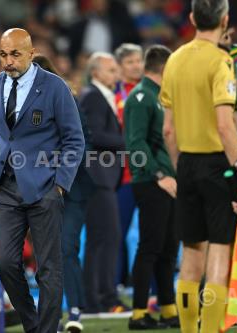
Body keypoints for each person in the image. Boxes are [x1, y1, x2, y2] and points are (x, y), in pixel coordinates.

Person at [0, 28, 84, 333]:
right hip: (3, 187)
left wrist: (60, 184)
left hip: (43, 188)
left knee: (48, 269)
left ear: (31, 52)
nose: (8, 61)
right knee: (5, 263)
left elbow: (74, 140)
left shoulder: (54, 87)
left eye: (14, 54)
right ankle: (34, 324)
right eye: (2, 54)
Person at [160, 1, 237, 332]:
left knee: (190, 259)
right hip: (217, 167)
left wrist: (178, 168)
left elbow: (167, 130)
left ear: (191, 19)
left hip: (185, 165)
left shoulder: (174, 60)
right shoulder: (221, 61)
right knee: (218, 257)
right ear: (225, 20)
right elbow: (227, 128)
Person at [33, 54, 92, 333]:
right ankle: (52, 318)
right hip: (39, 192)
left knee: (66, 249)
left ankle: (75, 312)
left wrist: (60, 175)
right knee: (48, 255)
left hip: (71, 190)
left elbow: (82, 143)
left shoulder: (69, 102)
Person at [124, 45, 179, 330]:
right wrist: (159, 174)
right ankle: (138, 314)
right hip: (151, 181)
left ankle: (169, 310)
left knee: (168, 248)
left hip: (166, 181)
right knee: (149, 248)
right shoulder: (141, 97)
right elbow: (135, 145)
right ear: (164, 68)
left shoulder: (158, 97)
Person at [79, 52, 128, 315]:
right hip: (97, 176)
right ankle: (103, 298)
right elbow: (94, 134)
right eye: (111, 70)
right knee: (106, 237)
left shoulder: (97, 97)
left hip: (100, 177)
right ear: (96, 72)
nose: (116, 74)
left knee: (102, 238)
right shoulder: (93, 97)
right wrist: (128, 141)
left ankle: (97, 298)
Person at [113, 43, 143, 288]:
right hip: (122, 175)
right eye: (130, 62)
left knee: (150, 233)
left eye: (139, 60)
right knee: (118, 233)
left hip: (148, 174)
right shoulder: (114, 95)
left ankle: (151, 286)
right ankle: (116, 284)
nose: (136, 65)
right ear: (120, 67)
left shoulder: (151, 90)